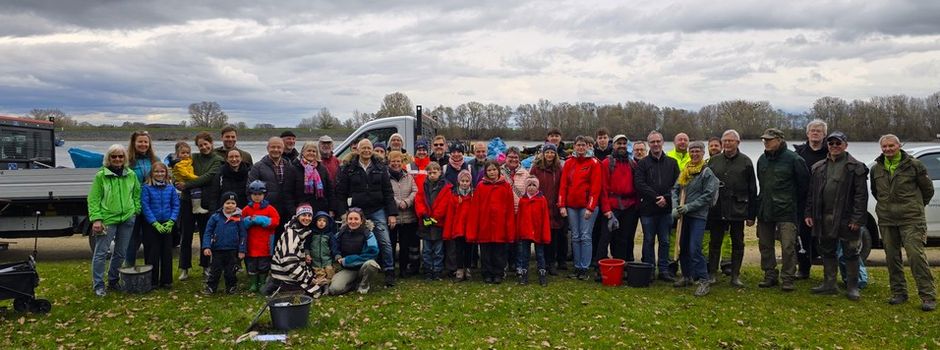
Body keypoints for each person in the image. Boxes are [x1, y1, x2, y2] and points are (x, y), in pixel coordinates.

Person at [871, 134, 936, 311]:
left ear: (899, 146)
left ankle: (927, 295)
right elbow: (876, 192)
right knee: (892, 258)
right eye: (884, 147)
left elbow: (927, 190)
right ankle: (899, 292)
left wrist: (915, 206)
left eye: (891, 146)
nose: (888, 149)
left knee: (916, 256)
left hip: (911, 219)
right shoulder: (876, 168)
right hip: (886, 219)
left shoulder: (914, 165)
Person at [804, 131, 868, 300]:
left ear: (845, 145)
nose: (834, 146)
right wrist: (809, 213)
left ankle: (852, 286)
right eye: (831, 143)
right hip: (823, 217)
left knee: (851, 252)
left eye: (838, 143)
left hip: (847, 218)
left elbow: (861, 196)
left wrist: (857, 219)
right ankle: (829, 284)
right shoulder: (818, 167)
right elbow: (811, 193)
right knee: (827, 251)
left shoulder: (856, 167)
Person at [333, 139, 399, 287]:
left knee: (385, 241)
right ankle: (352, 269)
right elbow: (341, 193)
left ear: (373, 150)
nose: (366, 151)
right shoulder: (349, 168)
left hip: (378, 209)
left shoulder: (380, 167)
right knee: (353, 241)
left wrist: (392, 213)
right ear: (358, 150)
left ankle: (389, 271)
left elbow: (388, 192)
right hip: (357, 211)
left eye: (369, 148)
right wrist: (344, 214)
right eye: (363, 148)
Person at [755, 128, 809, 291]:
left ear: (779, 140)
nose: (766, 142)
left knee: (788, 246)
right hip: (765, 208)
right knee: (765, 244)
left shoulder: (794, 159)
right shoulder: (761, 160)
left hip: (787, 210)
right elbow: (761, 184)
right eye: (764, 140)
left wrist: (794, 205)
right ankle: (770, 274)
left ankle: (788, 277)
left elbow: (804, 186)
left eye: (769, 140)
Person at [87, 144, 141, 296]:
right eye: (114, 156)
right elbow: (93, 199)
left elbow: (137, 193)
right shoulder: (101, 176)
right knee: (101, 253)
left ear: (125, 158)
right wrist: (96, 219)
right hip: (107, 220)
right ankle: (98, 285)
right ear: (108, 158)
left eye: (121, 156)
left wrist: (135, 210)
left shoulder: (131, 174)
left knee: (121, 253)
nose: (117, 159)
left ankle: (113, 280)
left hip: (127, 218)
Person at [705, 129, 756, 288]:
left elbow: (752, 189)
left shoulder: (746, 162)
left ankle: (735, 275)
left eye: (730, 141)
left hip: (738, 209)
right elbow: (707, 186)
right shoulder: (713, 161)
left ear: (738, 143)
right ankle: (712, 273)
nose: (727, 143)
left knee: (738, 242)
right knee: (715, 242)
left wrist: (751, 215)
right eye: (725, 141)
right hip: (717, 209)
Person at [671, 141, 719, 296]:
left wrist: (688, 207)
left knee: (694, 248)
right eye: (692, 151)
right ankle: (686, 276)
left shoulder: (706, 172)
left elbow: (707, 196)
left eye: (697, 151)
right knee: (683, 246)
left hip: (698, 216)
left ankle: (704, 280)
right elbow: (675, 189)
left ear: (703, 153)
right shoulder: (685, 171)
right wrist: (675, 206)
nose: (694, 154)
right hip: (683, 216)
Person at [175, 132, 223, 281]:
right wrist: (175, 181)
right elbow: (178, 168)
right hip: (187, 201)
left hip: (206, 203)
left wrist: (186, 184)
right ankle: (184, 268)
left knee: (205, 235)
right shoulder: (192, 157)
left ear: (211, 143)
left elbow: (207, 178)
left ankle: (205, 266)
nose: (203, 147)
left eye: (206, 144)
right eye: (200, 145)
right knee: (186, 235)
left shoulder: (218, 160)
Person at [635, 131, 680, 281]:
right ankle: (649, 269)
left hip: (666, 209)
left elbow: (677, 184)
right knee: (648, 240)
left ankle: (664, 270)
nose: (655, 144)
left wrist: (666, 198)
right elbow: (640, 184)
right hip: (648, 209)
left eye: (658, 141)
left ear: (662, 142)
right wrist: (655, 198)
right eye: (652, 142)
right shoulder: (642, 164)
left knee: (665, 241)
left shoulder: (672, 163)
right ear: (649, 144)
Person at [559, 136, 602, 280]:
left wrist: (590, 207)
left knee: (585, 236)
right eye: (578, 145)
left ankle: (584, 267)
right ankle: (577, 266)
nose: (581, 148)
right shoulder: (569, 162)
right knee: (575, 237)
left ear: (587, 146)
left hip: (587, 206)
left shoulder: (594, 163)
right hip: (571, 206)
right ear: (575, 147)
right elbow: (563, 185)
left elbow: (596, 188)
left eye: (583, 145)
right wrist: (562, 205)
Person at [467, 160, 516, 284]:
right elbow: (475, 208)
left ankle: (498, 273)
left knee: (499, 252)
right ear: (485, 172)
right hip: (485, 224)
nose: (492, 172)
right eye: (489, 170)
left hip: (500, 224)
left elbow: (509, 207)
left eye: (494, 169)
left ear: (498, 171)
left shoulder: (505, 186)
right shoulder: (481, 186)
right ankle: (487, 273)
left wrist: (509, 225)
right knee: (486, 252)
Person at [793, 119, 829, 279]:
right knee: (802, 236)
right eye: (812, 130)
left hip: (825, 201)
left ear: (824, 134)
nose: (815, 133)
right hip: (802, 201)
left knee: (825, 237)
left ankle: (829, 273)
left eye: (819, 131)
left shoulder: (831, 151)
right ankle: (803, 268)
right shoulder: (799, 153)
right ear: (807, 134)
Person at [271, 204, 327, 297]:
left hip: (290, 271)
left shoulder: (299, 231)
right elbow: (288, 263)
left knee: (318, 283)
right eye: (304, 215)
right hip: (283, 274)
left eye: (309, 216)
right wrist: (310, 280)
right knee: (315, 290)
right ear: (298, 216)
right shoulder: (290, 234)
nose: (307, 218)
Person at [600, 135, 639, 265]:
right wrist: (606, 210)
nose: (622, 146)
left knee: (623, 238)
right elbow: (603, 188)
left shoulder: (632, 163)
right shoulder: (607, 163)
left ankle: (620, 265)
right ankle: (600, 266)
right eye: (619, 143)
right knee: (606, 237)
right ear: (614, 145)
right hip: (611, 205)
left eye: (624, 143)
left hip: (629, 206)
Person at [140, 162, 179, 290]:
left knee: (167, 253)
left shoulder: (170, 187)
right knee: (153, 253)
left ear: (166, 173)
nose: (159, 174)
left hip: (167, 224)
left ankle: (166, 280)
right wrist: (154, 222)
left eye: (162, 171)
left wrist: (172, 220)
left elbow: (176, 205)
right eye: (156, 172)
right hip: (152, 225)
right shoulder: (146, 187)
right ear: (152, 173)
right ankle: (152, 281)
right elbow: (145, 206)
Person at [248, 137, 296, 237]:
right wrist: (256, 210)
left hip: (285, 212)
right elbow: (249, 189)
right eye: (273, 147)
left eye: (279, 147)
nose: (276, 150)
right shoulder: (258, 167)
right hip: (265, 212)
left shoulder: (289, 166)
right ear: (267, 148)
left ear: (283, 149)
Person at [529, 143, 565, 275]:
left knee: (553, 238)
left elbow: (563, 186)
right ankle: (541, 263)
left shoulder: (559, 169)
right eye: (547, 152)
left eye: (552, 152)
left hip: (555, 207)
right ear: (543, 154)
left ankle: (551, 263)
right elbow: (530, 185)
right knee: (540, 237)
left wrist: (561, 204)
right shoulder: (536, 168)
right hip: (540, 206)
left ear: (555, 154)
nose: (550, 155)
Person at [201, 192, 247, 295]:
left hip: (232, 250)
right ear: (222, 204)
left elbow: (243, 235)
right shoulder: (215, 217)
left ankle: (231, 287)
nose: (230, 205)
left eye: (233, 203)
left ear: (236, 205)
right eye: (227, 203)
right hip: (217, 249)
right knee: (215, 271)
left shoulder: (239, 218)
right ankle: (211, 287)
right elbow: (208, 232)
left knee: (231, 271)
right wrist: (206, 246)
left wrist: (242, 250)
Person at [328, 208, 381, 295]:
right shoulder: (342, 232)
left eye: (356, 219)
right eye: (350, 219)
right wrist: (337, 255)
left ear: (361, 221)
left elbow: (372, 252)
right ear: (347, 220)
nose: (353, 221)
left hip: (362, 267)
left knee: (372, 264)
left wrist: (348, 260)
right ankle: (353, 284)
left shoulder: (368, 234)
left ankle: (364, 285)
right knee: (334, 290)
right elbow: (334, 245)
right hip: (348, 269)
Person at [126, 131, 159, 267]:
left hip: (151, 205)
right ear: (134, 143)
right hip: (134, 205)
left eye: (146, 142)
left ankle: (150, 271)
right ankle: (128, 268)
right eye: (140, 141)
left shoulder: (154, 160)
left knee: (150, 239)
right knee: (132, 240)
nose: (143, 144)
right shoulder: (128, 161)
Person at [242, 180, 281, 294]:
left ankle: (262, 282)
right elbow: (241, 223)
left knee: (264, 264)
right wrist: (248, 221)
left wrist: (262, 220)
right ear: (250, 195)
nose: (257, 197)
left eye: (260, 194)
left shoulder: (270, 208)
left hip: (265, 243)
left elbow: (276, 221)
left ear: (264, 195)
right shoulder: (247, 209)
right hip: (251, 243)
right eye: (254, 195)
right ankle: (254, 283)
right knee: (252, 264)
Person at [415, 162, 450, 280]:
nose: (432, 175)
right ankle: (427, 270)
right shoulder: (423, 185)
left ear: (440, 172)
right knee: (426, 249)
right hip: (426, 223)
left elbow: (444, 203)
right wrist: (423, 214)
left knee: (438, 250)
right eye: (429, 172)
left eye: (435, 172)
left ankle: (437, 270)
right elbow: (419, 200)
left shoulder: (445, 186)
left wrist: (435, 217)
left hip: (438, 223)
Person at [388, 150, 420, 277]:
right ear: (389, 162)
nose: (396, 164)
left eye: (398, 161)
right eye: (393, 161)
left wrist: (406, 202)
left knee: (405, 245)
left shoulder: (408, 176)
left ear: (402, 162)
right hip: (393, 216)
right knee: (390, 244)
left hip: (408, 217)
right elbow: (387, 193)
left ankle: (403, 269)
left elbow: (415, 191)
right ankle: (390, 269)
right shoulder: (385, 177)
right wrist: (398, 203)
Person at [516, 176, 552, 286]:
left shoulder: (542, 200)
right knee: (524, 255)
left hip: (538, 231)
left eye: (534, 185)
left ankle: (542, 274)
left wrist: (545, 233)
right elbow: (520, 217)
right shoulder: (523, 200)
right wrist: (518, 232)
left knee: (540, 254)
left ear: (537, 187)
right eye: (529, 185)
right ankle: (524, 274)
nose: (531, 188)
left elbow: (545, 217)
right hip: (526, 232)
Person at [441, 169, 475, 281]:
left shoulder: (473, 195)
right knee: (459, 249)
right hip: (458, 227)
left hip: (469, 227)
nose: (465, 183)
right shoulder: (454, 196)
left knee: (469, 250)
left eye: (467, 181)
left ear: (470, 182)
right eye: (462, 181)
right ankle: (460, 269)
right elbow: (450, 214)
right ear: (459, 182)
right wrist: (449, 230)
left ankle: (468, 268)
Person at [292, 141, 333, 215]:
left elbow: (330, 190)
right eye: (309, 150)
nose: (311, 153)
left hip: (320, 210)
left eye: (314, 151)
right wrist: (292, 210)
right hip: (301, 211)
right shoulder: (294, 168)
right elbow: (288, 192)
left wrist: (331, 209)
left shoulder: (322, 169)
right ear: (303, 152)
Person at [304, 211, 337, 298]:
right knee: (319, 274)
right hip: (315, 260)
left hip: (327, 260)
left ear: (327, 223)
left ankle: (326, 286)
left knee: (329, 273)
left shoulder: (329, 235)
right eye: (319, 220)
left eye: (324, 221)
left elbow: (334, 247)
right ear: (315, 222)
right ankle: (320, 289)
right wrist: (307, 254)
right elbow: (306, 245)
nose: (322, 223)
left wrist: (336, 256)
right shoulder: (311, 234)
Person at [170, 142, 209, 215]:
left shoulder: (188, 160)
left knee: (196, 190)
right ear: (178, 154)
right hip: (184, 180)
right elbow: (185, 174)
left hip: (188, 180)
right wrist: (197, 178)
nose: (185, 154)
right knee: (196, 189)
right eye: (183, 153)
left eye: (187, 153)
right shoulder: (180, 164)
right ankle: (196, 207)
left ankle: (196, 206)